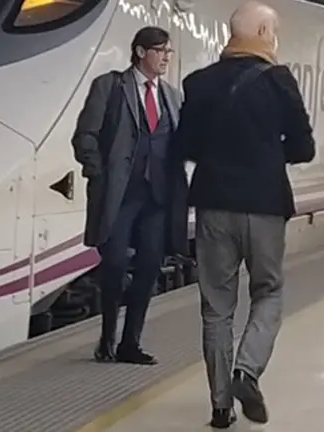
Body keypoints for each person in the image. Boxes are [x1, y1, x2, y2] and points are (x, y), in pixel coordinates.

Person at [174, 1, 315, 428]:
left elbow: (185, 147)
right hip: (266, 206)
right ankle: (246, 370)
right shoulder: (279, 81)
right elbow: (304, 148)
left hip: (215, 203)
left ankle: (221, 408)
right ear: (262, 32)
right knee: (268, 292)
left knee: (216, 308)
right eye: (272, 31)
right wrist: (272, 154)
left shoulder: (198, 82)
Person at [71, 26, 189, 366]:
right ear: (140, 52)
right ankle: (107, 338)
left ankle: (130, 343)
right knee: (116, 264)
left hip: (157, 199)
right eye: (160, 50)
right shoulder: (110, 87)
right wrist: (98, 172)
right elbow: (85, 135)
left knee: (150, 267)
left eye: (169, 51)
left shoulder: (171, 95)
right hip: (119, 197)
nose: (167, 57)